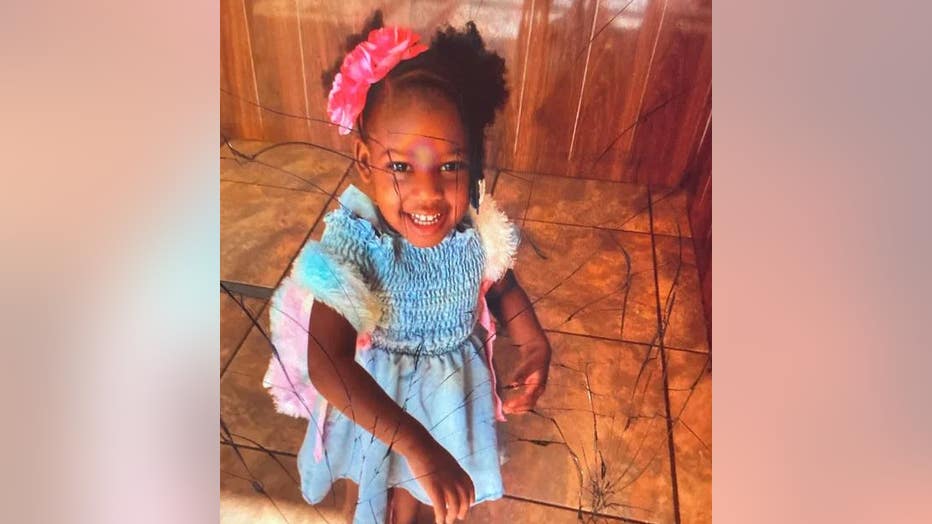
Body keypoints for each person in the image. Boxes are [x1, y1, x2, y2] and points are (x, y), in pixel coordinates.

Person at [263, 12, 552, 524]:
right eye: (401, 166)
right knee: (375, 495)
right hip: (378, 403)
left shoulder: (474, 228)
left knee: (426, 503)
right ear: (364, 160)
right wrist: (416, 444)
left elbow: (500, 285)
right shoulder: (359, 245)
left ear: (473, 159)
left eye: (450, 165)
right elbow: (327, 362)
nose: (428, 192)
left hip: (448, 397)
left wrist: (533, 343)